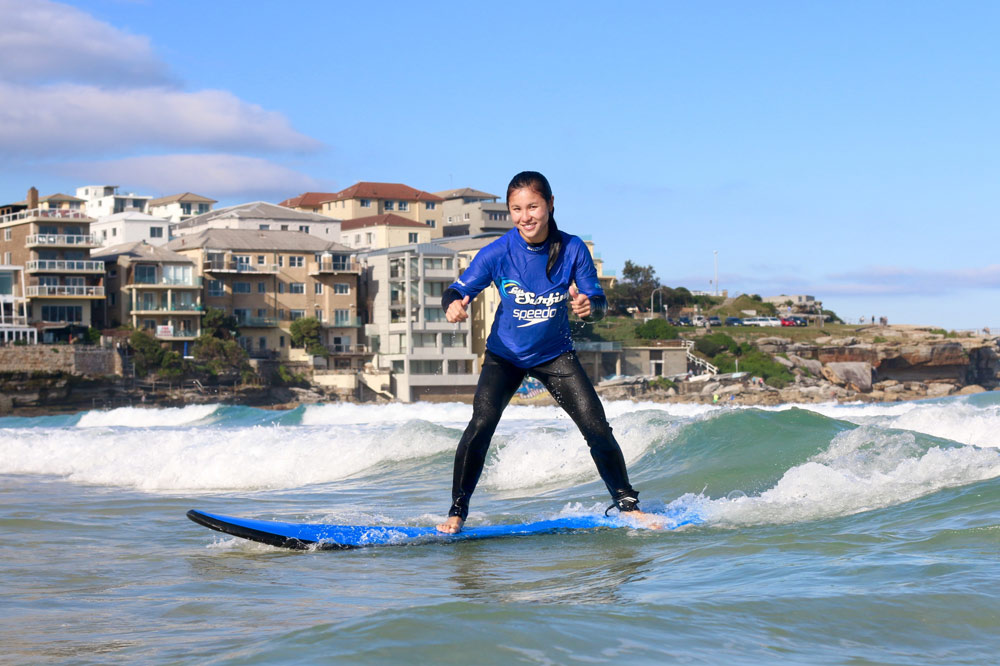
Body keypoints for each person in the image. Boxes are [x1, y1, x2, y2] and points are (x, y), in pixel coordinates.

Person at [436, 171, 650, 534]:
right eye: (516, 209)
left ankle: (628, 506)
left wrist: (588, 306)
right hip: (505, 355)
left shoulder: (573, 248)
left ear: (550, 205)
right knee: (481, 425)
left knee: (596, 427)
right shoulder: (498, 252)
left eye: (533, 206)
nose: (525, 217)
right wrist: (453, 305)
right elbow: (456, 290)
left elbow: (596, 299)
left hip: (555, 353)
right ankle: (456, 512)